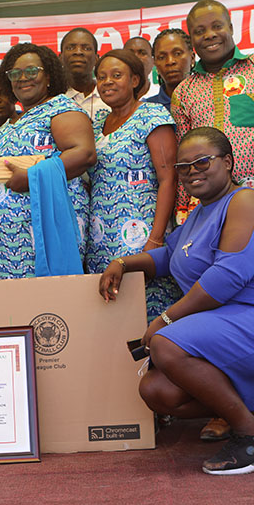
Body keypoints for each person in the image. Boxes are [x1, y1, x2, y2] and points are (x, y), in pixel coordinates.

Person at [98, 127, 254, 475]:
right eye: (184, 167)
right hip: (242, 327)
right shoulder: (197, 217)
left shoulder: (245, 201)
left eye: (202, 161)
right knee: (158, 391)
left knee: (166, 344)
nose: (193, 171)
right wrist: (123, 263)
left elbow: (227, 277)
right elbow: (168, 258)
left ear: (229, 162)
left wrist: (167, 320)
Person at [172, 0, 254, 443]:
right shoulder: (184, 91)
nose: (209, 35)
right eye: (199, 31)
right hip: (210, 221)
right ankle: (233, 407)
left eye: (216, 26)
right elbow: (187, 163)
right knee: (224, 312)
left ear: (232, 27)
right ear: (191, 39)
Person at [0, 43, 97, 279]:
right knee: (16, 314)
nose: (23, 78)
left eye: (32, 71)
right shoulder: (13, 121)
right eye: (15, 74)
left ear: (49, 76)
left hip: (44, 234)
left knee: (51, 309)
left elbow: (84, 153)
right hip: (7, 244)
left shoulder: (60, 108)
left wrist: (30, 178)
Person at [86, 49, 180, 318]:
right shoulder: (97, 124)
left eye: (117, 75)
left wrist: (156, 238)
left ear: (136, 80)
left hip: (141, 234)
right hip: (102, 236)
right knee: (113, 316)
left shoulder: (152, 116)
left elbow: (168, 179)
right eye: (101, 77)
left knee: (147, 312)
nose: (107, 82)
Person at [61, 27, 110, 122]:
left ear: (97, 59)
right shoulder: (52, 99)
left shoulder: (110, 94)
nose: (78, 52)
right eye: (70, 48)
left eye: (86, 48)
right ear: (61, 58)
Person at [143, 29, 194, 111]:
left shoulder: (211, 98)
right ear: (155, 64)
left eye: (177, 53)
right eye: (162, 57)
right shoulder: (146, 109)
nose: (170, 61)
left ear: (192, 58)